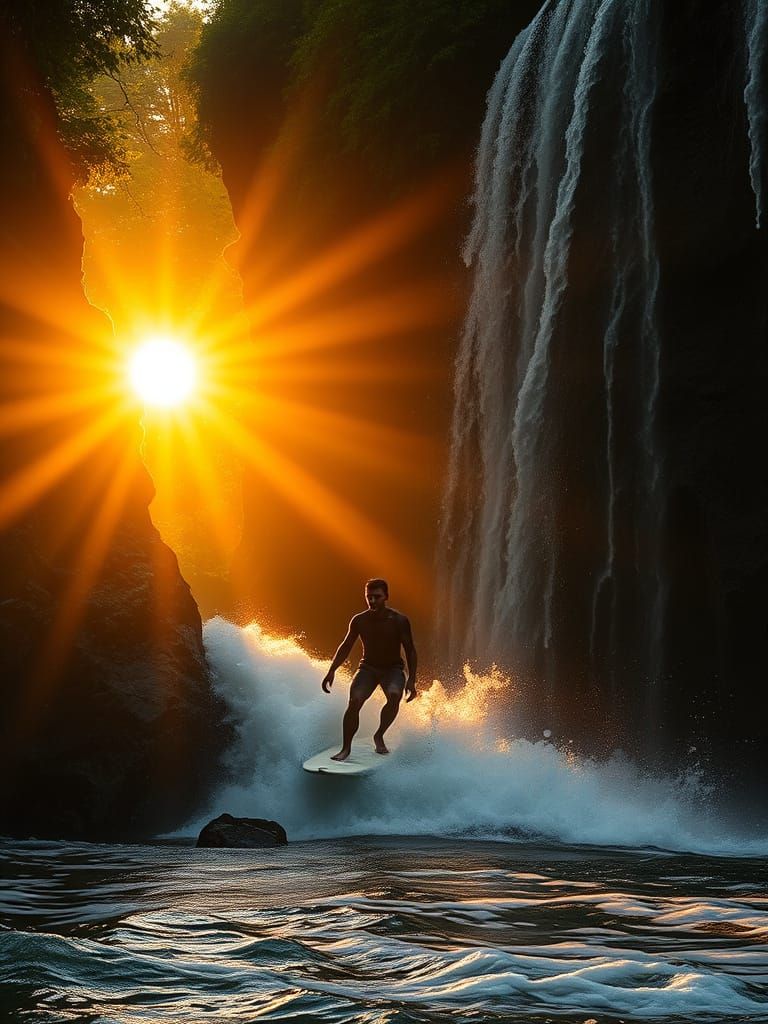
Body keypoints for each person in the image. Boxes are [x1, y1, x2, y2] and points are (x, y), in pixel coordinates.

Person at [321, 578, 417, 760]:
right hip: (368, 668)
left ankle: (379, 734)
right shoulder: (359, 620)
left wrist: (412, 679)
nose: (372, 601)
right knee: (355, 701)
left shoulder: (399, 620)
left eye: (377, 597)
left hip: (392, 669)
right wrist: (332, 670)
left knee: (395, 695)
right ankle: (346, 748)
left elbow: (410, 650)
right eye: (369, 597)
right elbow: (346, 645)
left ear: (386, 597)